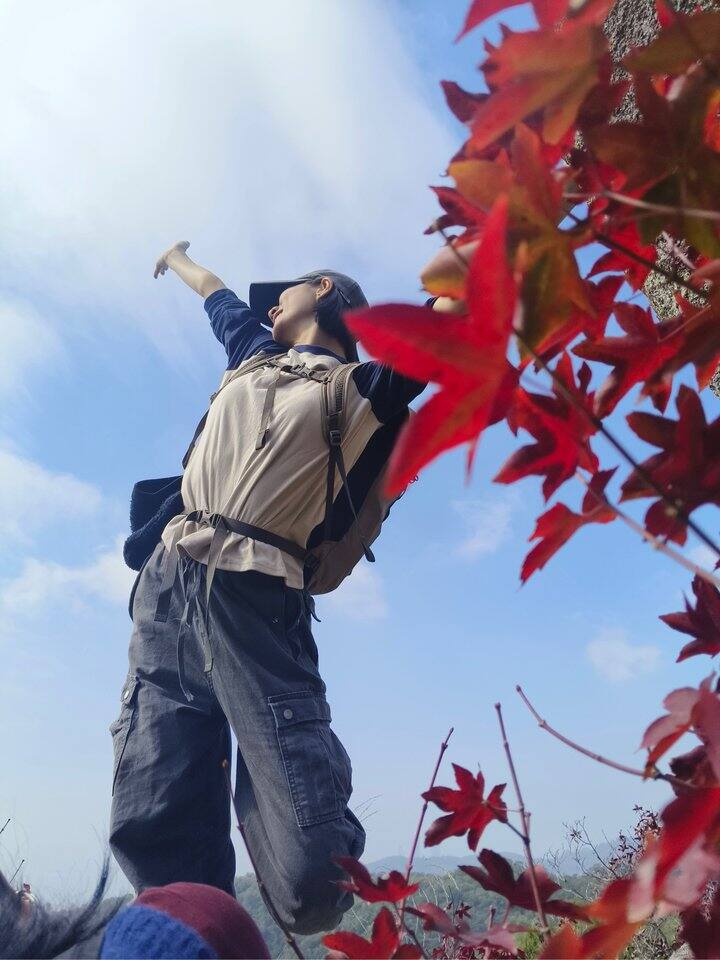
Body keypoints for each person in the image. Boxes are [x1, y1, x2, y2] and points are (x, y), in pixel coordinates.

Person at [109, 241, 442, 935]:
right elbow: (218, 297)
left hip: (256, 592)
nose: (268, 308)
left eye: (282, 294)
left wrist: (492, 251)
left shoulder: (361, 389)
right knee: (153, 817)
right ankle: (197, 944)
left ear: (321, 290)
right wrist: (176, 258)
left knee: (312, 878)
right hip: (167, 585)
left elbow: (449, 321)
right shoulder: (251, 354)